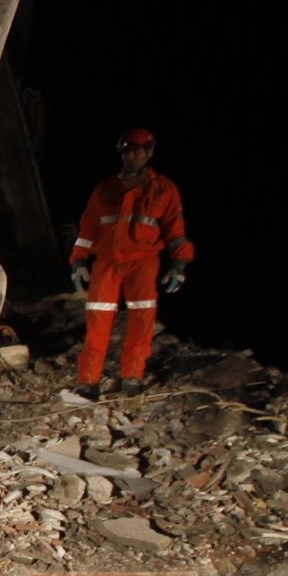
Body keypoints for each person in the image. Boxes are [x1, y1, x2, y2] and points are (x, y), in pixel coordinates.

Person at [66, 127, 192, 399]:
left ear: (149, 152)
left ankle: (132, 378)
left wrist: (179, 265)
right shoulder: (104, 189)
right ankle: (88, 381)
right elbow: (86, 231)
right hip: (107, 264)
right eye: (127, 152)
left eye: (137, 151)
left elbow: (175, 231)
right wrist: (78, 262)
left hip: (143, 264)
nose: (131, 157)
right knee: (97, 322)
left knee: (141, 321)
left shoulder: (163, 190)